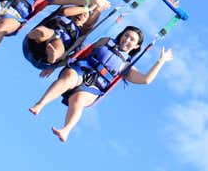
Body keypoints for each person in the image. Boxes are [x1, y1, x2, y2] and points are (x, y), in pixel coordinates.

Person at [28, 26, 173, 142]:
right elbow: (81, 52)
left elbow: (145, 80)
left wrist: (161, 61)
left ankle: (66, 130)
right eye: (126, 35)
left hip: (93, 88)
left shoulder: (126, 66)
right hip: (80, 71)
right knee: (69, 78)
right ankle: (39, 105)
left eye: (132, 39)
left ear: (136, 46)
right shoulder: (105, 41)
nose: (127, 39)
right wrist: (56, 65)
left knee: (78, 100)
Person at [22, 0, 111, 70]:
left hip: (46, 56)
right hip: (37, 42)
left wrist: (99, 9)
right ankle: (34, 35)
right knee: (44, 32)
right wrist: (87, 8)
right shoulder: (62, 15)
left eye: (84, 16)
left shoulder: (80, 35)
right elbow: (66, 11)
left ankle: (52, 56)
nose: (80, 15)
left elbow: (72, 56)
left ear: (85, 22)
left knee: (58, 45)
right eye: (80, 12)